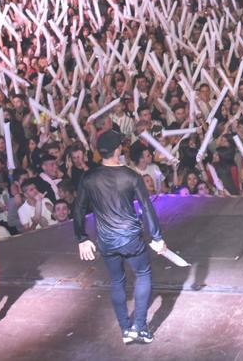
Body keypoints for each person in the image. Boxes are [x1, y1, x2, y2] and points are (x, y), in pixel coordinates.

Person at [74, 129, 168, 345]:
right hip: (131, 238)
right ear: (118, 150)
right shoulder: (130, 176)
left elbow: (78, 209)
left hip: (106, 240)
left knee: (117, 281)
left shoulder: (89, 177)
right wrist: (156, 237)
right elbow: (146, 207)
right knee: (143, 274)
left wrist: (82, 237)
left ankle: (126, 329)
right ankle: (141, 328)